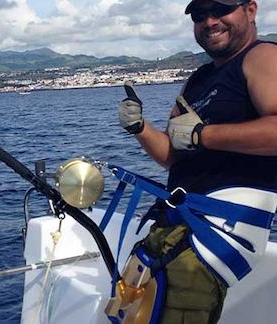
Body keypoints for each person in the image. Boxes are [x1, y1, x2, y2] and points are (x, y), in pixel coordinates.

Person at [118, 0, 277, 323]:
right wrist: (140, 128)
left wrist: (202, 135)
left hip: (213, 237)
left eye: (221, 9)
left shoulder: (263, 56)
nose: (210, 21)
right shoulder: (197, 80)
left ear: (251, 10)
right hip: (175, 227)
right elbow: (173, 157)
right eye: (200, 15)